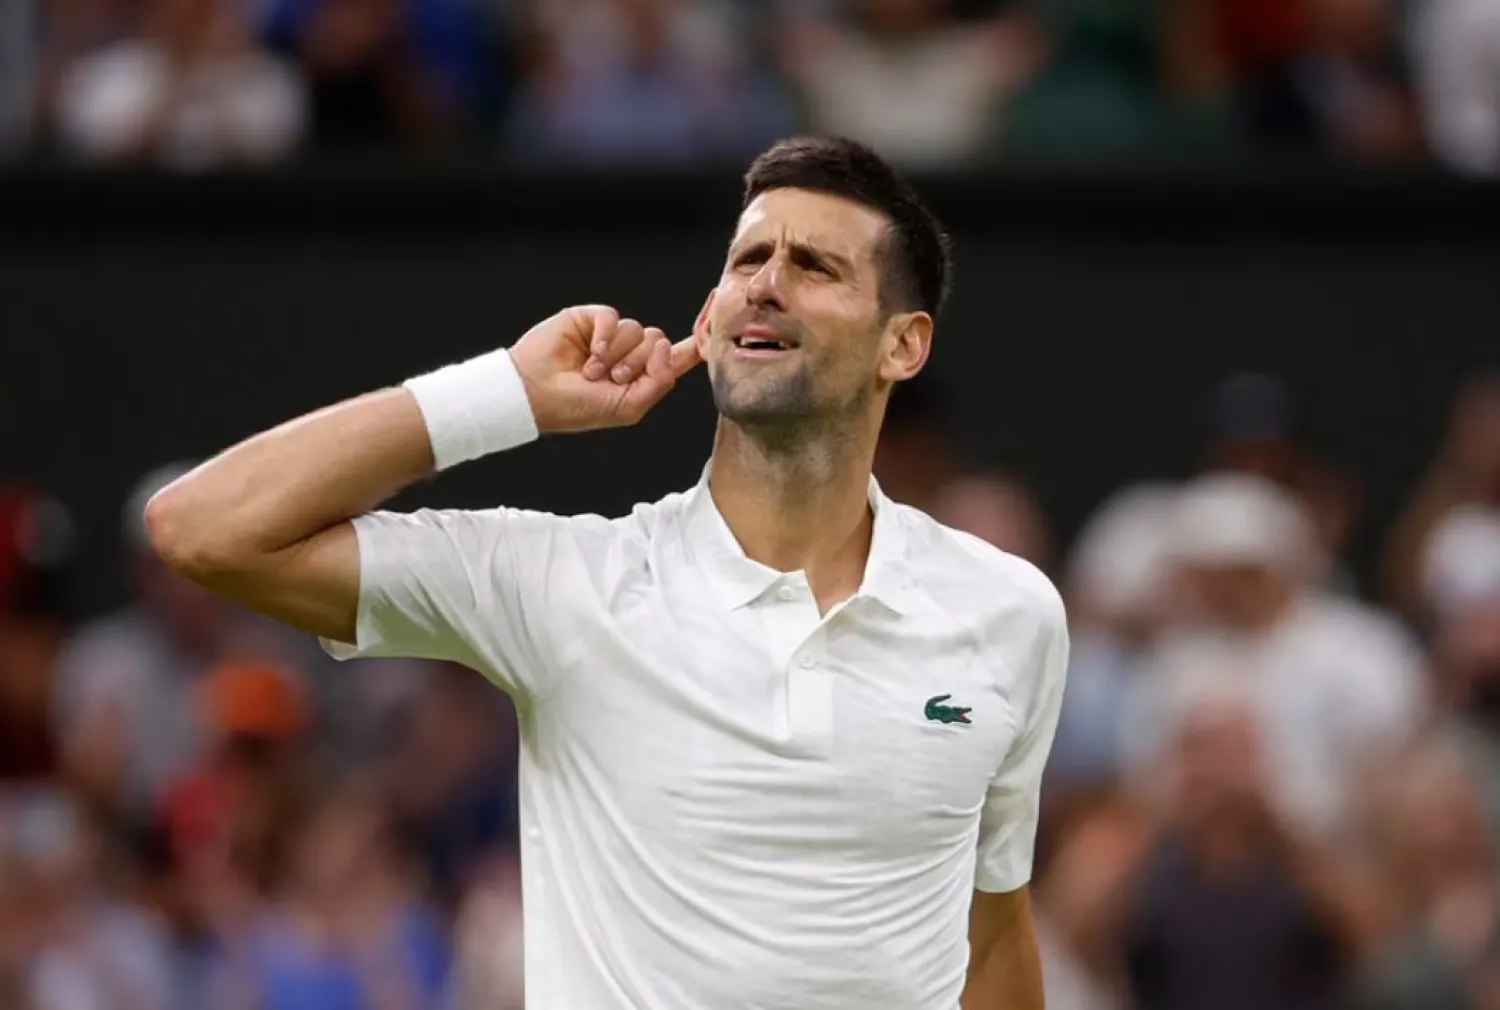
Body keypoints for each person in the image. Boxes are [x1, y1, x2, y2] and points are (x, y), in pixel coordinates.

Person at [142, 135, 1069, 1010]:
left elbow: (990, 940)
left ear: (903, 345)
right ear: (708, 320)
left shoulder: (1010, 614)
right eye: (748, 261)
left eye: (814, 267)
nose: (765, 285)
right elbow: (203, 529)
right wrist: (506, 393)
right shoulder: (562, 586)